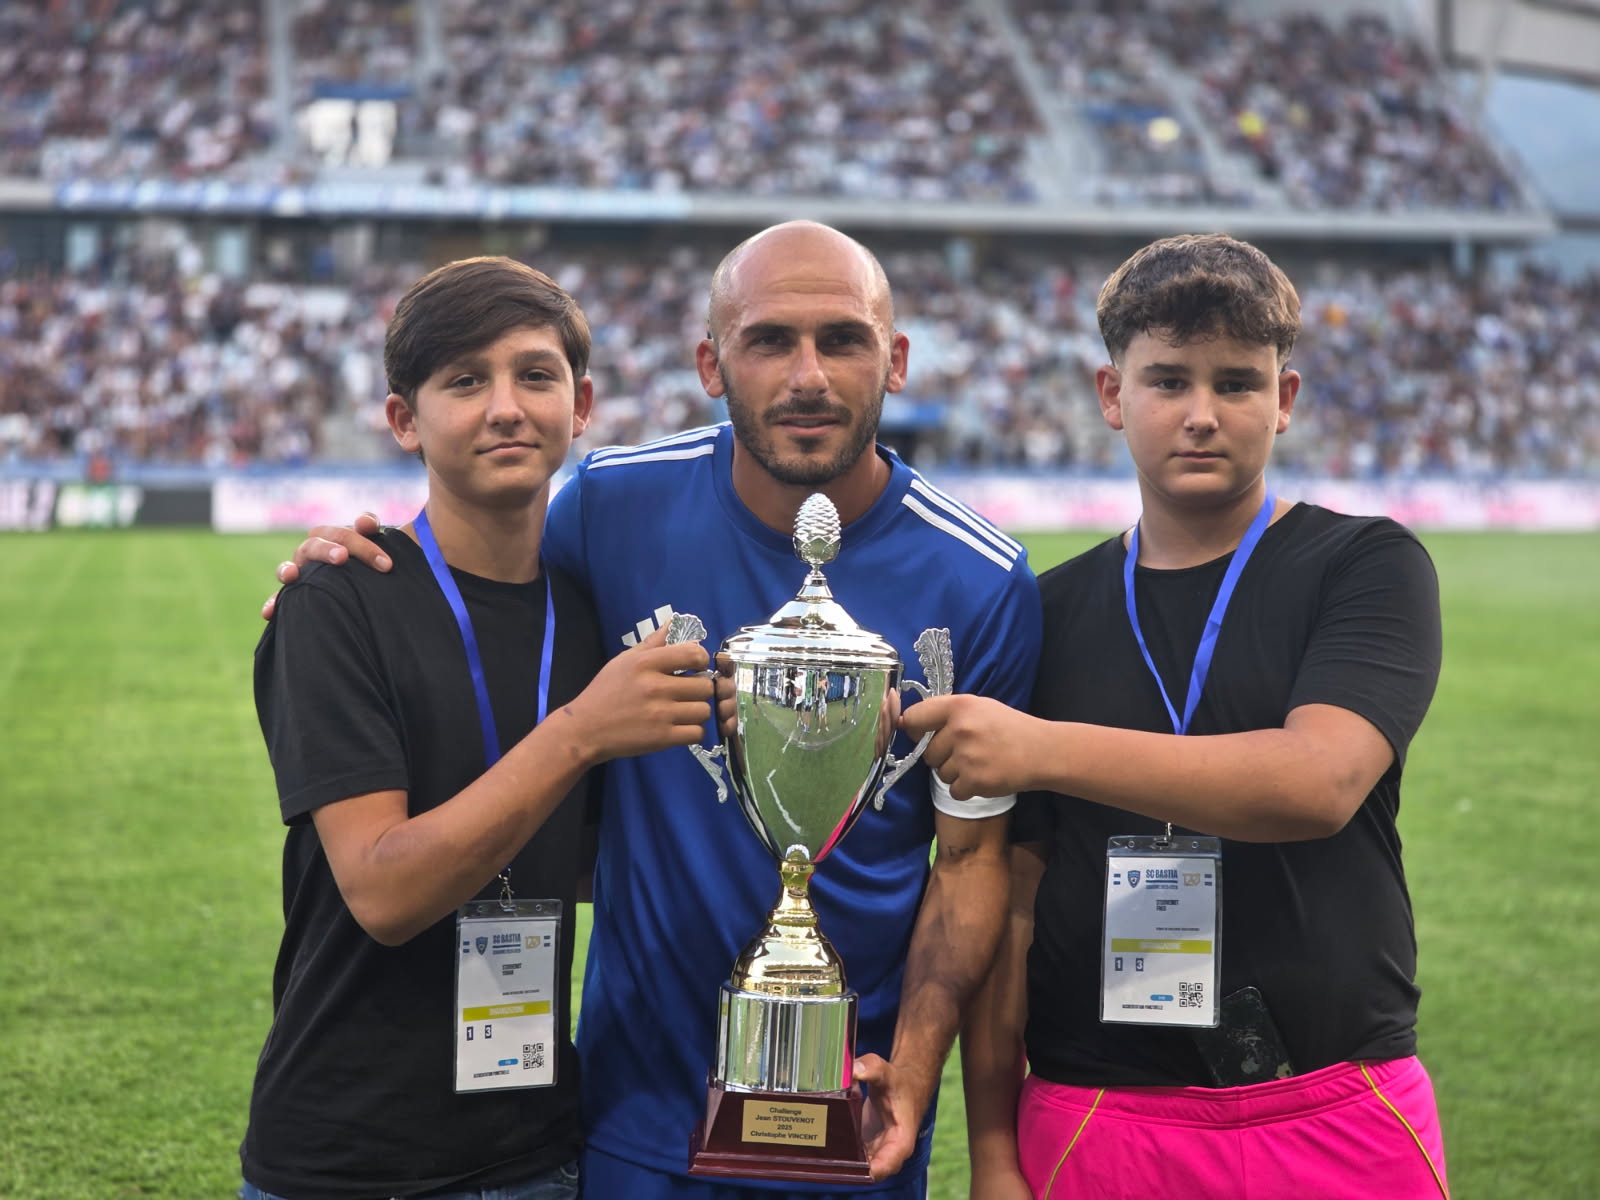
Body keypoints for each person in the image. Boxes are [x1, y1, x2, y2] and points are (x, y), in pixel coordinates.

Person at [268, 221, 1043, 1198]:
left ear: (893, 358)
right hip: (629, 1122)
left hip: (854, 1118)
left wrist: (918, 1067)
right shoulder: (608, 507)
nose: (807, 375)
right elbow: (479, 585)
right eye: (769, 340)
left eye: (841, 339)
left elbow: (971, 863)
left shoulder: (982, 578)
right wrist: (354, 559)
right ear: (710, 364)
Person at [903, 233, 1448, 1199]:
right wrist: (992, 1152)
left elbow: (1316, 782)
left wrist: (1042, 749)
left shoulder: (1365, 566)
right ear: (1112, 396)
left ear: (1283, 401)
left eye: (1237, 383)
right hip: (1099, 1111)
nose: (1201, 415)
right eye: (1168, 381)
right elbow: (1013, 903)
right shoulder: (1050, 609)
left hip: (1337, 1100)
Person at [245, 257, 713, 1200]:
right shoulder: (339, 601)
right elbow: (385, 891)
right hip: (350, 1158)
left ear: (580, 406)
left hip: (540, 1151)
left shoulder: (591, 616)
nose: (506, 406)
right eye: (466, 381)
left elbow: (586, 864)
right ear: (404, 420)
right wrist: (581, 732)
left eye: (535, 376)